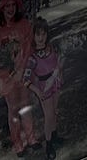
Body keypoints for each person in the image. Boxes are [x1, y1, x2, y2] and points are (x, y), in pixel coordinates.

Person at [0, 0, 38, 157]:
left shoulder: (24, 25)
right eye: (7, 6)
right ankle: (18, 144)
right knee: (13, 111)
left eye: (13, 5)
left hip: (23, 75)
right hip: (8, 79)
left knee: (26, 107)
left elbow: (29, 49)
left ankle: (31, 139)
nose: (10, 9)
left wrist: (21, 70)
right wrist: (7, 71)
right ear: (2, 9)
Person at [23, 18, 65, 159]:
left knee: (54, 112)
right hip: (44, 88)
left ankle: (55, 136)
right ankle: (49, 145)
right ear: (33, 37)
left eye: (43, 34)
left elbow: (57, 64)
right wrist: (37, 90)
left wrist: (59, 70)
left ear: (47, 34)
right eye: (38, 35)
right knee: (48, 116)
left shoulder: (51, 49)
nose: (41, 38)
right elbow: (25, 80)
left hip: (56, 85)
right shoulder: (33, 58)